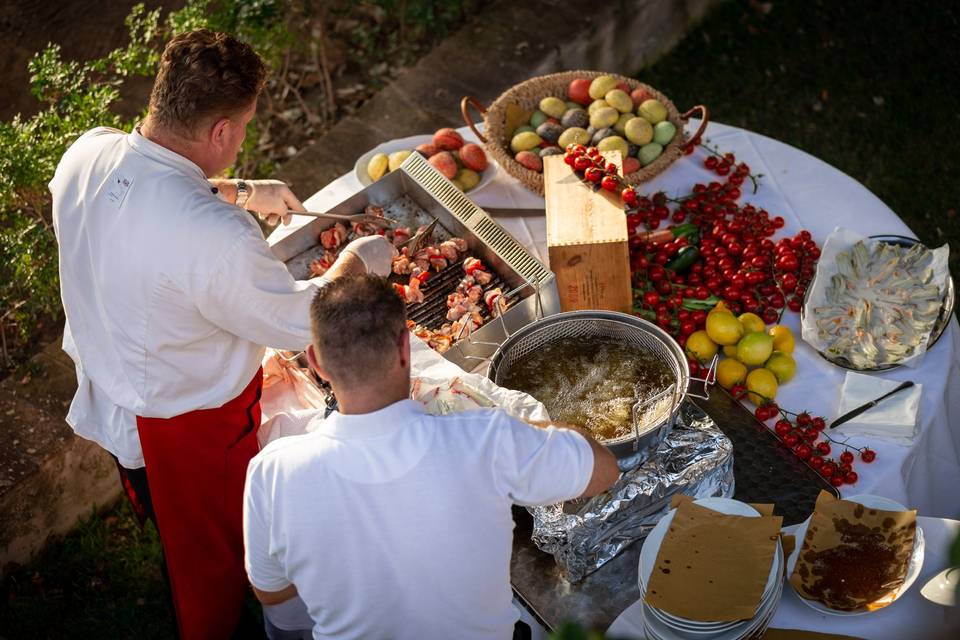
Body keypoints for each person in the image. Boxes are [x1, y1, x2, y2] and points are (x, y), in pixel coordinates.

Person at [49, 29, 395, 639]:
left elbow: (145, 195)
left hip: (113, 386)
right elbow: (299, 319)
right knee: (216, 564)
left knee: (164, 521)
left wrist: (237, 189)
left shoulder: (86, 153)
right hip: (188, 431)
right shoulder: (216, 238)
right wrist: (358, 262)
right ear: (221, 132)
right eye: (242, 127)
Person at [243, 275, 620, 639]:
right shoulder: (486, 438)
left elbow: (273, 596)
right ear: (406, 348)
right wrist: (528, 429)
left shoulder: (271, 472)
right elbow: (603, 470)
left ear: (316, 363)